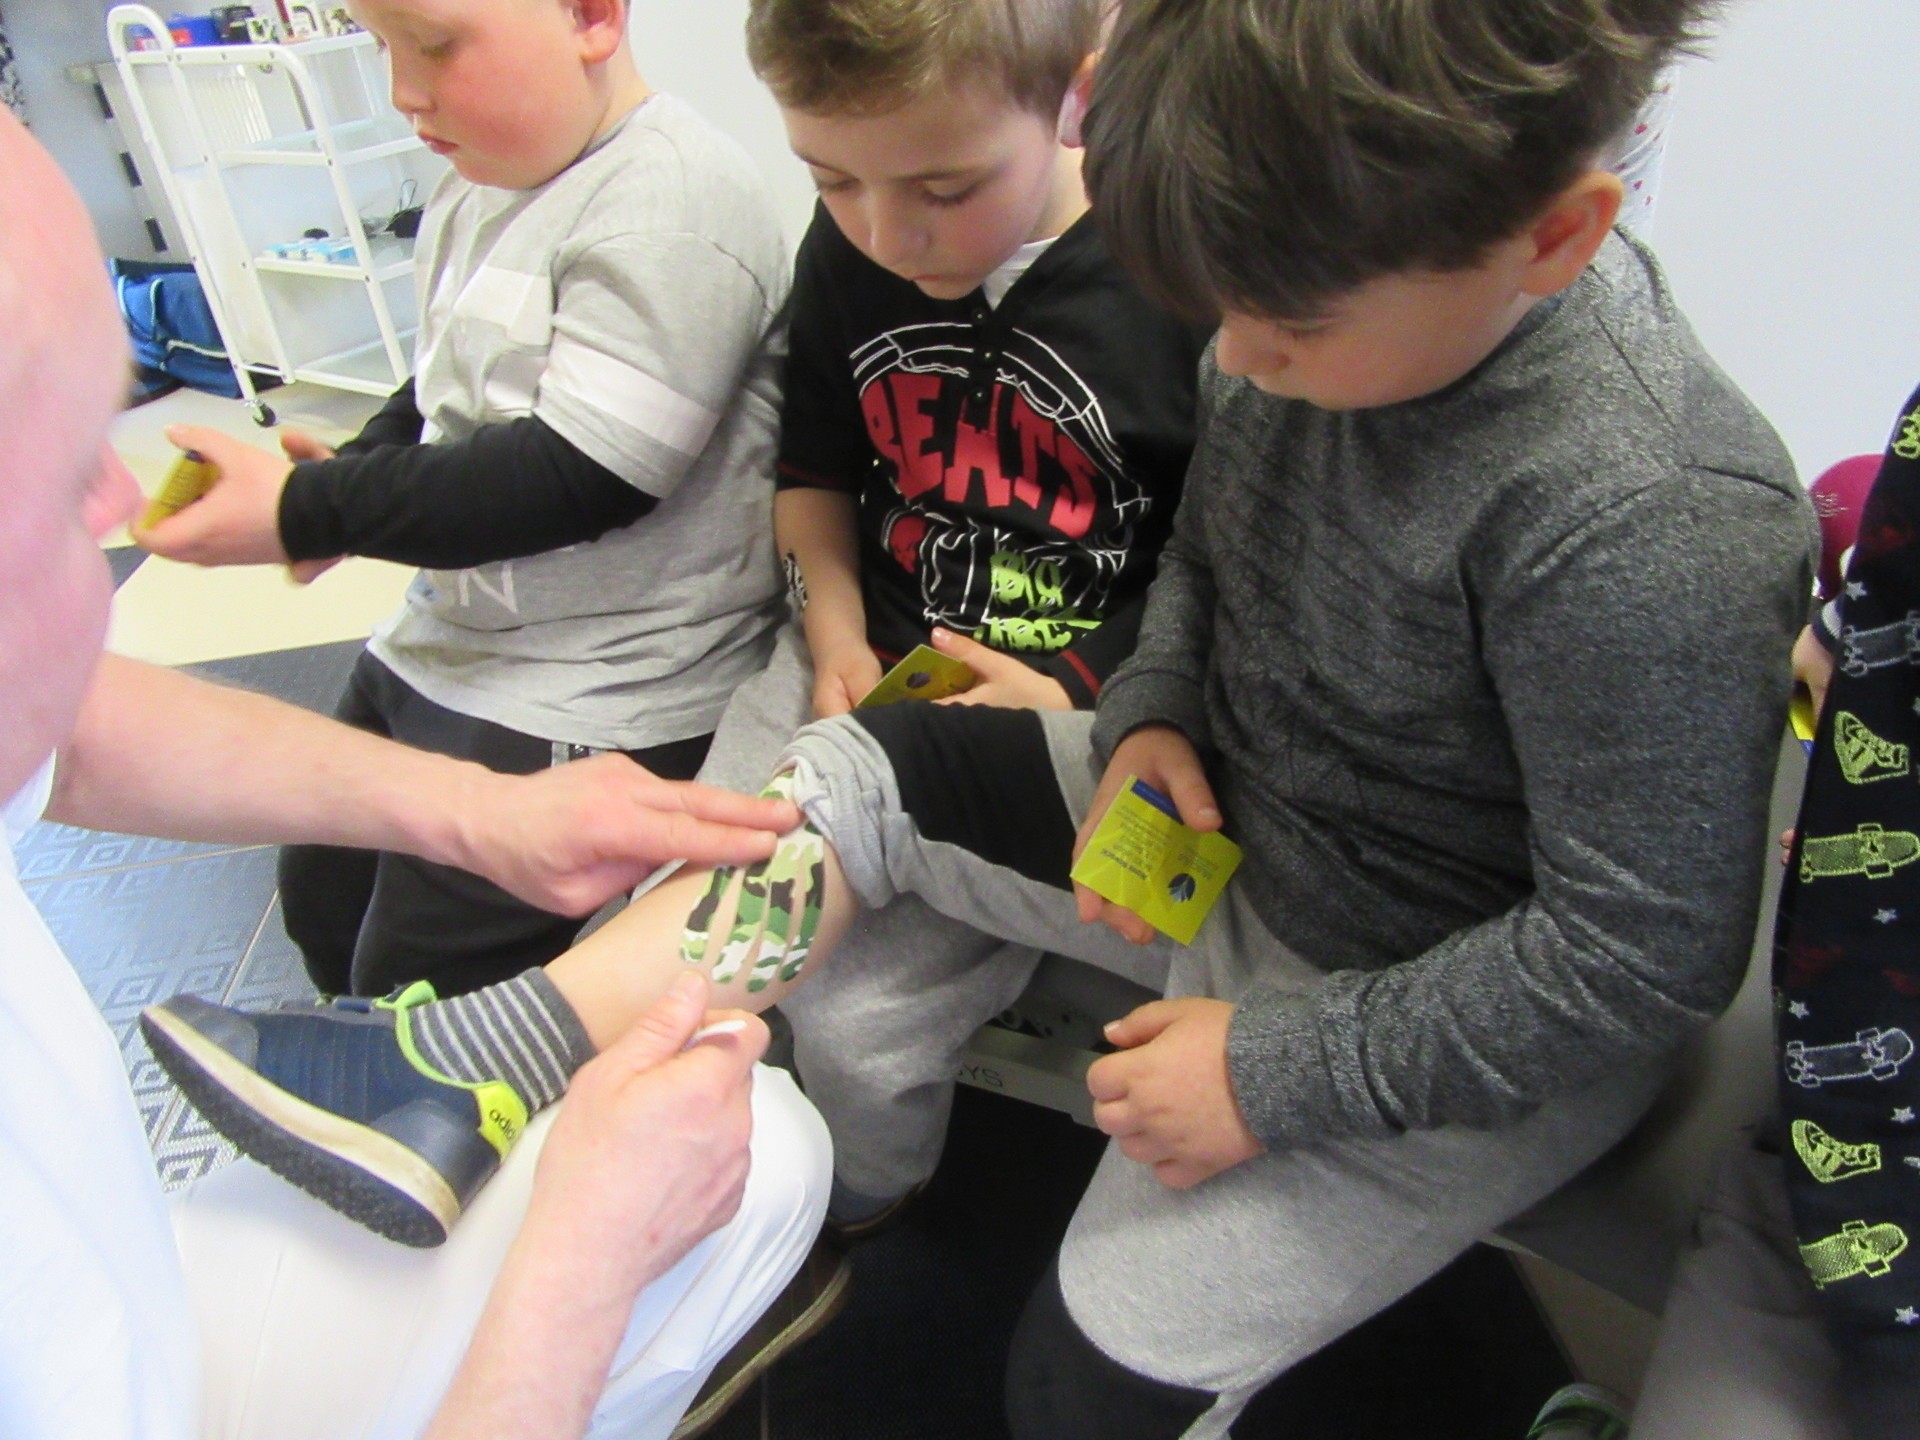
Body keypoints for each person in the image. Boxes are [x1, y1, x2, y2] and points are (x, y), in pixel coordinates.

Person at [145, 0, 1818, 1434]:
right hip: (1224, 822)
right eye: (1216, 309)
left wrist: (1274, 1071)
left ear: (1557, 236)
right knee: (847, 773)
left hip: (1428, 987)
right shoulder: (1283, 302)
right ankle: (477, 1064)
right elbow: (1207, 557)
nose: (1235, 358)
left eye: (1284, 329)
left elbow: (1636, 959)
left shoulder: (1653, 514)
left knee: (1072, 1386)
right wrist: (1153, 709)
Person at [0, 107, 833, 1440]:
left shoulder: (648, 197)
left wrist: (488, 813)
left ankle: (447, 1066)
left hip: (112, 1313)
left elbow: (72, 725)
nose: (115, 507)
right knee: (769, 1150)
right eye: (55, 482)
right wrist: (586, 1256)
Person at [136, 0, 791, 1001]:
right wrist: (351, 471)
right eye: (383, 47)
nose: (404, 92)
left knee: (426, 981)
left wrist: (313, 509)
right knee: (323, 902)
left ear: (590, 16)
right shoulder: (478, 185)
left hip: (599, 682)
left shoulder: (675, 202)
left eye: (436, 46)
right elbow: (444, 376)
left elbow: (581, 472)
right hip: (451, 640)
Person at [694, 0, 1208, 1227]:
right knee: (696, 920)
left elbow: (1217, 565)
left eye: (943, 187)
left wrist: (1077, 694)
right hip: (854, 655)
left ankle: (854, 1217)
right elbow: (813, 476)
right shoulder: (848, 255)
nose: (887, 235)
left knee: (857, 1026)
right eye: (831, 180)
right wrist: (834, 639)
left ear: (1078, 99)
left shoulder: (1185, 272)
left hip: (1062, 707)